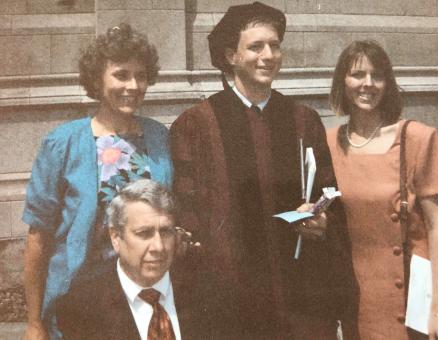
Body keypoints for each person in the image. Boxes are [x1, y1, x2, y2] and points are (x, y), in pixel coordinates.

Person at [170, 2, 357, 339]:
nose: (268, 55)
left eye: (274, 45)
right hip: (229, 300)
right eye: (255, 46)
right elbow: (187, 214)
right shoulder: (196, 124)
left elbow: (329, 195)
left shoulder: (303, 120)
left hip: (300, 296)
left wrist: (323, 220)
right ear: (231, 55)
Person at [23, 24, 173, 339]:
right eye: (121, 74)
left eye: (141, 75)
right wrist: (34, 322)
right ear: (96, 79)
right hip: (79, 302)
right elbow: (38, 237)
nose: (133, 85)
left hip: (144, 301)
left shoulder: (160, 138)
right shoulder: (62, 143)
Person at [327, 40, 438, 339]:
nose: (368, 84)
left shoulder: (419, 139)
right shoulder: (328, 143)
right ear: (342, 82)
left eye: (378, 75)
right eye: (357, 74)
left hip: (413, 294)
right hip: (357, 298)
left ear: (389, 84)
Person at [56, 179, 201, 340]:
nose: (158, 247)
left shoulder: (210, 295)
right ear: (116, 237)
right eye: (144, 233)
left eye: (166, 232)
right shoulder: (81, 306)